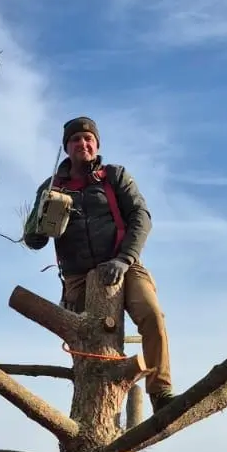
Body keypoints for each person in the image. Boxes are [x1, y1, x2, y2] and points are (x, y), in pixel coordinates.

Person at [23, 116, 174, 411]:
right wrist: (41, 223)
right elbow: (32, 239)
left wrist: (124, 259)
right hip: (77, 276)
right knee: (83, 340)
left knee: (152, 315)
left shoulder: (115, 176)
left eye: (88, 139)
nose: (83, 143)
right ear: (67, 147)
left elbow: (141, 218)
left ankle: (161, 392)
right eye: (76, 139)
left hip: (125, 265)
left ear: (97, 145)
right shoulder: (52, 186)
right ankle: (91, 406)